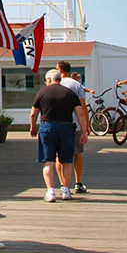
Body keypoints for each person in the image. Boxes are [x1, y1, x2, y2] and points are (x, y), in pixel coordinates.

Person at [29, 69, 88, 202]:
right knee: (66, 161)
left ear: (49, 80)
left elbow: (33, 113)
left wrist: (33, 127)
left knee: (48, 161)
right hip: (66, 128)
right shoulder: (70, 93)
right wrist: (84, 131)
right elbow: (81, 113)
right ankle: (66, 190)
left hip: (47, 127)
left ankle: (50, 192)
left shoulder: (42, 92)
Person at [56, 60, 89, 193]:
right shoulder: (76, 85)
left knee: (59, 156)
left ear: (59, 70)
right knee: (77, 153)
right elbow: (82, 106)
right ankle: (78, 182)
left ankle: (63, 183)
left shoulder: (55, 84)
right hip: (75, 123)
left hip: (58, 122)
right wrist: (86, 126)